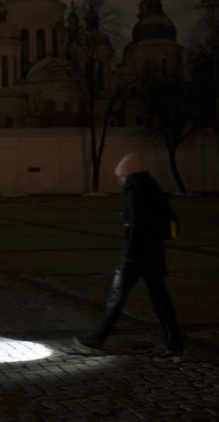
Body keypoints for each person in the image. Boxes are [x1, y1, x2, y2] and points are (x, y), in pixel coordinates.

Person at [73, 154, 183, 361]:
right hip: (154, 255)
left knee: (116, 299)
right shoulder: (152, 187)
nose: (119, 181)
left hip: (137, 256)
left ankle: (97, 340)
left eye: (120, 176)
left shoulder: (135, 190)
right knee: (161, 302)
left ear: (127, 174)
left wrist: (129, 257)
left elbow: (136, 226)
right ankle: (175, 346)